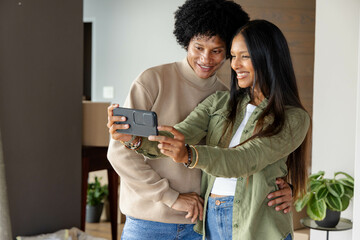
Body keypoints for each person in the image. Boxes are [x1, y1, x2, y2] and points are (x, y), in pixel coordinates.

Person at [107, 1, 293, 239]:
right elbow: (119, 153)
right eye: (198, 47)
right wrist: (171, 198)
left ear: (228, 52)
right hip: (149, 222)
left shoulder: (227, 98)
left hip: (201, 223)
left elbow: (245, 156)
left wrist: (286, 187)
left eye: (217, 50)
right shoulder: (153, 80)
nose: (206, 58)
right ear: (186, 42)